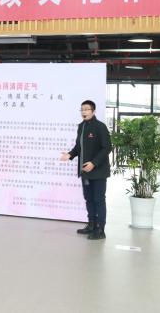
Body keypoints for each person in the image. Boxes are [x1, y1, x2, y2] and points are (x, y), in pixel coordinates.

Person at [60, 100, 112, 240]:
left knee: (99, 200)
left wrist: (94, 163)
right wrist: (70, 155)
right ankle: (91, 225)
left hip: (98, 171)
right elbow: (79, 147)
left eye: (87, 109)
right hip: (85, 171)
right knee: (88, 199)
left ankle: (100, 230)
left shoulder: (100, 126)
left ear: (93, 111)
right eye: (82, 109)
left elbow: (107, 147)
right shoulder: (81, 126)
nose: (84, 112)